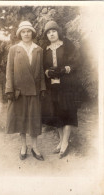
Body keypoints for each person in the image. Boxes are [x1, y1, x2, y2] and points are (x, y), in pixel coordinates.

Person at [5, 21, 46, 161]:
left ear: (32, 33)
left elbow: (40, 71)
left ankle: (34, 147)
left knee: (34, 120)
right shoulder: (14, 49)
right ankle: (24, 147)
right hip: (19, 92)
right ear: (19, 34)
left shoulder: (38, 49)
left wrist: (43, 88)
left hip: (34, 91)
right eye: (23, 31)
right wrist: (9, 89)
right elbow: (9, 71)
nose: (26, 34)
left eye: (28, 31)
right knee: (21, 120)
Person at [43, 21, 80, 159]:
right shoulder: (45, 49)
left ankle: (65, 143)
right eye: (48, 32)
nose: (51, 34)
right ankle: (60, 141)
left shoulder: (67, 45)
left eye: (53, 31)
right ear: (46, 35)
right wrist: (47, 72)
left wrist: (65, 69)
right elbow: (43, 68)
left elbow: (77, 61)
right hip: (53, 87)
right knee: (57, 113)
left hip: (67, 85)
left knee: (68, 111)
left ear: (58, 32)